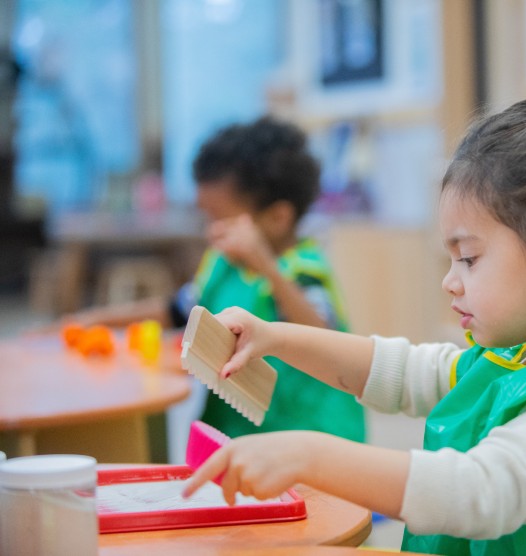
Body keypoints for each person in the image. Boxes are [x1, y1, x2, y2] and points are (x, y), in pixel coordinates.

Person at [183, 99, 526, 555]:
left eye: (470, 259)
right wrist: (274, 337)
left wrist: (305, 454)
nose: (451, 283)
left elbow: (476, 492)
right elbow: (398, 370)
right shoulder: (513, 358)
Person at [64, 117, 366, 442]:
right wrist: (92, 320)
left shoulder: (303, 271)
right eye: (206, 217)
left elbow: (324, 338)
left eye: (221, 219)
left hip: (308, 437)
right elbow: (176, 310)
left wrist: (266, 266)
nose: (212, 231)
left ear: (278, 217)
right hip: (237, 432)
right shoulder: (223, 263)